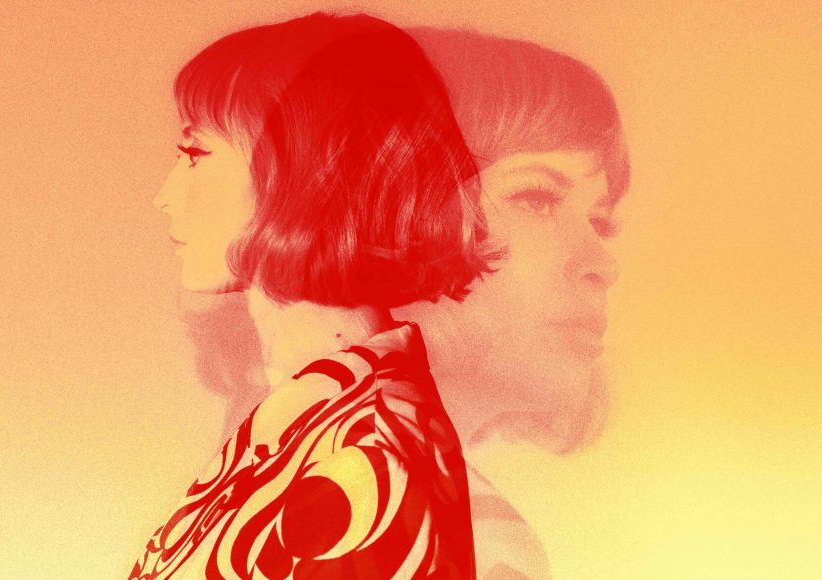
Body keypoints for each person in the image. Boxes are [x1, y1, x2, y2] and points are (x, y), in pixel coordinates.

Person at [129, 13, 494, 579]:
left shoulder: (364, 457)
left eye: (195, 153)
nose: (164, 195)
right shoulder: (311, 419)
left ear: (303, 168)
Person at [395, 29, 631, 578]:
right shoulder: (460, 538)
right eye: (537, 199)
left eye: (600, 223)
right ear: (396, 218)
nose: (602, 264)